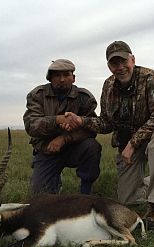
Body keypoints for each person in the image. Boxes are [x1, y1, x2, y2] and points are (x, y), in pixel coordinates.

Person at [65, 41, 154, 230]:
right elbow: (107, 122)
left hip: (148, 140)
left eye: (124, 61)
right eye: (115, 63)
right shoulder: (108, 86)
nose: (120, 67)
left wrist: (134, 142)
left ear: (132, 59)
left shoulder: (150, 78)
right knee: (129, 200)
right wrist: (82, 121)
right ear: (109, 66)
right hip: (126, 146)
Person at [23, 59, 101, 195]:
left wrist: (64, 139)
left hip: (74, 148)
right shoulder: (37, 95)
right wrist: (58, 120)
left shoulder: (84, 98)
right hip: (47, 149)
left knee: (92, 146)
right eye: (57, 75)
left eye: (66, 75)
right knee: (40, 196)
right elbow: (32, 126)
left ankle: (86, 192)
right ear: (50, 78)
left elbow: (91, 128)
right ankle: (55, 180)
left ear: (74, 78)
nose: (62, 79)